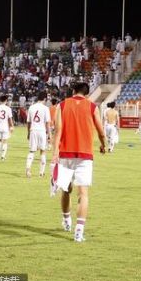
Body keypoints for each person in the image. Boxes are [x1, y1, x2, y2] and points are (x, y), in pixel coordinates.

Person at [51, 82, 106, 242]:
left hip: (65, 154)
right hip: (85, 154)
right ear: (87, 94)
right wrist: (104, 145)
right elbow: (101, 131)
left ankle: (66, 220)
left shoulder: (62, 105)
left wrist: (55, 153)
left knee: (66, 190)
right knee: (83, 194)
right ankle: (79, 232)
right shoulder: (92, 107)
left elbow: (57, 130)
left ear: (73, 91)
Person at [26, 91, 51, 178]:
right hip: (42, 131)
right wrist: (49, 135)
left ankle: (28, 169)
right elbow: (47, 123)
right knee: (43, 151)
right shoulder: (45, 108)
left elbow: (28, 122)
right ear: (45, 99)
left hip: (33, 130)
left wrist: (28, 132)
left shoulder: (31, 107)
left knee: (32, 151)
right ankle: (41, 172)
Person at [0, 95, 14, 160]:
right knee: (5, 141)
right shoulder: (8, 108)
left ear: (0, 100)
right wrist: (12, 126)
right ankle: (3, 156)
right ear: (6, 100)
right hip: (5, 126)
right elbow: (10, 119)